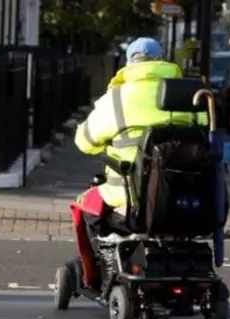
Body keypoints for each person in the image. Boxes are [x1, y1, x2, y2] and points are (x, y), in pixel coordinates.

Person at [73, 37, 209, 301]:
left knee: (88, 208)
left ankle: (103, 272)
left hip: (131, 200)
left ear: (129, 63)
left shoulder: (116, 99)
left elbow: (84, 141)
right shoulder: (190, 95)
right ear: (162, 60)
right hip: (187, 200)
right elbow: (206, 134)